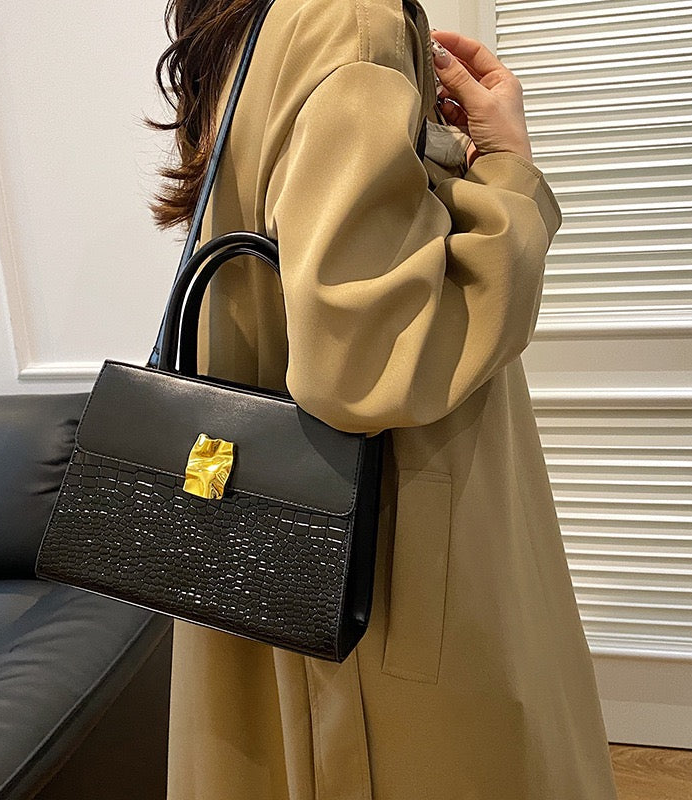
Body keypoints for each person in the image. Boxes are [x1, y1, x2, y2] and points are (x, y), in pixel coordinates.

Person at [146, 0, 620, 797]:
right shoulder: (350, 19)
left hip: (271, 537)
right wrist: (508, 170)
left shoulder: (258, 23)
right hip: (382, 561)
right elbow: (368, 365)